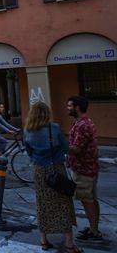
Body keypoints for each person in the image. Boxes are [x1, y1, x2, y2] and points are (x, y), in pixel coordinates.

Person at [24, 102, 81, 253]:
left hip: (39, 171)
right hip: (56, 169)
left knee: (42, 204)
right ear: (46, 114)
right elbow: (66, 148)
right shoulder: (54, 128)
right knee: (64, 204)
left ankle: (43, 241)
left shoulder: (28, 131)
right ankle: (69, 244)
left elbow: (29, 152)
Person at [68, 95, 103, 243]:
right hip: (89, 168)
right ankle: (93, 227)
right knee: (92, 200)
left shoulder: (82, 125)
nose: (67, 108)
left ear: (77, 107)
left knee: (87, 201)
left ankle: (94, 233)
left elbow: (77, 149)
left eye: (70, 106)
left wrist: (61, 145)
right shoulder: (83, 122)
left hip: (83, 169)